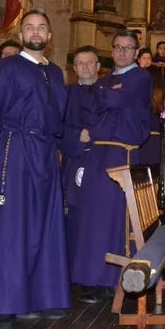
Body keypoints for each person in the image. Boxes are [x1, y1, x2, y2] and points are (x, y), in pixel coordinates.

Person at [0, 10, 70, 329]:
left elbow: (59, 119)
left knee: (43, 226)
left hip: (45, 155)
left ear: (50, 36)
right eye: (29, 27)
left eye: (41, 27)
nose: (36, 32)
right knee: (10, 229)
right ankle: (2, 305)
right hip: (14, 153)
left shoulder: (56, 72)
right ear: (21, 35)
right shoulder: (7, 67)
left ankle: (40, 295)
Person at [68, 31, 151, 303]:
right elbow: (92, 106)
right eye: (118, 47)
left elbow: (112, 101)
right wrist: (107, 95)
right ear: (112, 50)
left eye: (128, 48)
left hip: (121, 155)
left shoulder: (140, 77)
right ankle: (88, 278)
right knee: (91, 217)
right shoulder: (104, 82)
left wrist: (106, 97)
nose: (122, 52)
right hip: (96, 154)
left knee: (114, 218)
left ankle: (111, 279)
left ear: (136, 53)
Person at [62, 45, 100, 274]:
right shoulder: (65, 94)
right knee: (75, 217)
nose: (85, 67)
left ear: (98, 66)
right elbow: (55, 128)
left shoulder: (109, 92)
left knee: (98, 218)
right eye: (80, 63)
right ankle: (73, 272)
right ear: (74, 68)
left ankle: (97, 273)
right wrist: (76, 135)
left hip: (102, 164)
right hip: (75, 161)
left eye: (90, 62)